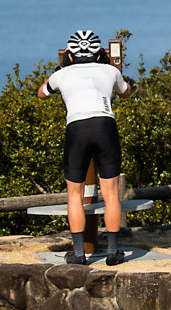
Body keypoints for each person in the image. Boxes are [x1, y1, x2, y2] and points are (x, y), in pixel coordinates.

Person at [37, 30, 132, 265]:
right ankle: (112, 252)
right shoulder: (110, 70)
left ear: (70, 54)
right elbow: (126, 92)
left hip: (76, 129)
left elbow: (41, 93)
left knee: (74, 196)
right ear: (98, 52)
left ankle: (79, 254)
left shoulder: (62, 74)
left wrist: (60, 71)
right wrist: (110, 69)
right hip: (105, 126)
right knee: (110, 194)